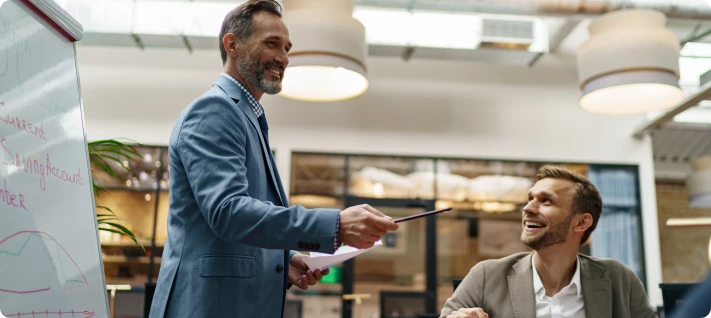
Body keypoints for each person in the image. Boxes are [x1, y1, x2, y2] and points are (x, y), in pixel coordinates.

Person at [149, 1, 399, 317]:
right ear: (232, 44)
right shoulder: (215, 111)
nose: (283, 57)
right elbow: (229, 212)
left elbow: (240, 227)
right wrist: (333, 225)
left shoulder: (246, 117)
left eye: (286, 47)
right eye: (271, 43)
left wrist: (285, 260)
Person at [440, 166, 657, 318]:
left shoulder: (618, 279)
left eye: (546, 201)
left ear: (581, 222)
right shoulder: (486, 276)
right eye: (530, 199)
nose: (528, 208)